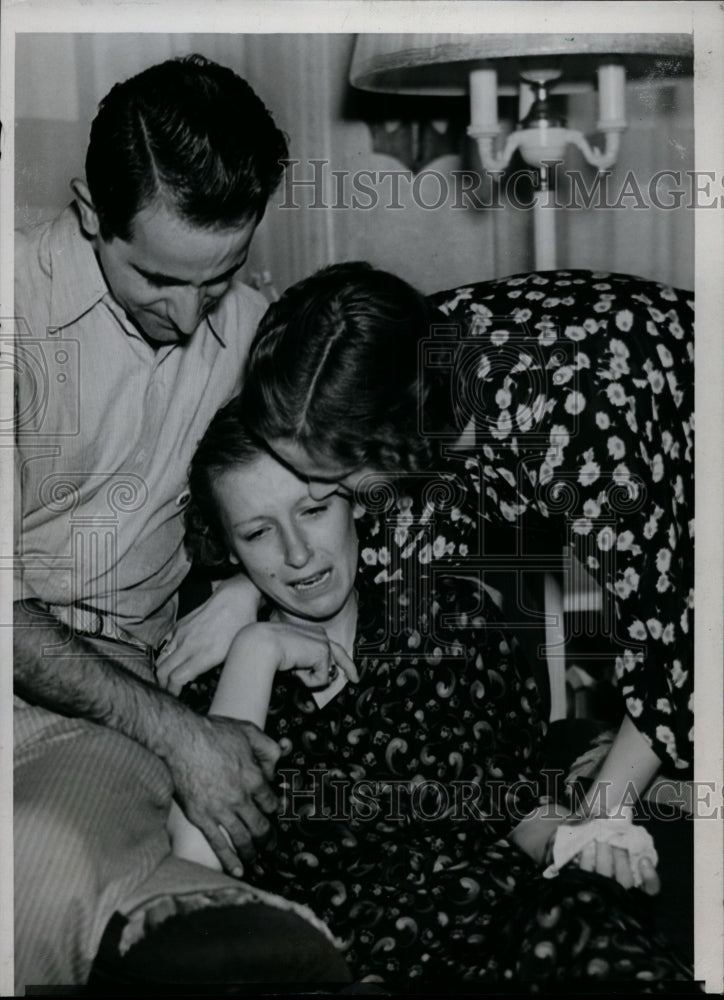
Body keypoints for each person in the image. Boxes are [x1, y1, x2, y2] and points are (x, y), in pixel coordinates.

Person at [13, 55, 350, 992]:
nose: (190, 314)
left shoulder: (250, 327)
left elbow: (356, 484)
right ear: (90, 212)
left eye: (220, 276)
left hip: (106, 690)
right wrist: (187, 739)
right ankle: (186, 913)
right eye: (159, 278)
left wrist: (248, 583)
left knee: (33, 874)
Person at [164, 400, 691, 989]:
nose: (296, 553)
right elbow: (198, 864)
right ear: (231, 549)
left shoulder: (453, 622)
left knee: (581, 922)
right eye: (259, 532)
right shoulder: (222, 682)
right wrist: (258, 649)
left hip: (512, 932)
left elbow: (510, 804)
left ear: (354, 498)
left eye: (313, 511)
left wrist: (582, 843)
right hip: (346, 969)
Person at [233, 261, 694, 862]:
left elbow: (673, 644)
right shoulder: (385, 355)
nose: (333, 499)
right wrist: (239, 594)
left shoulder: (569, 419)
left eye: (335, 482)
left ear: (397, 444)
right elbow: (381, 556)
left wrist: (594, 821)